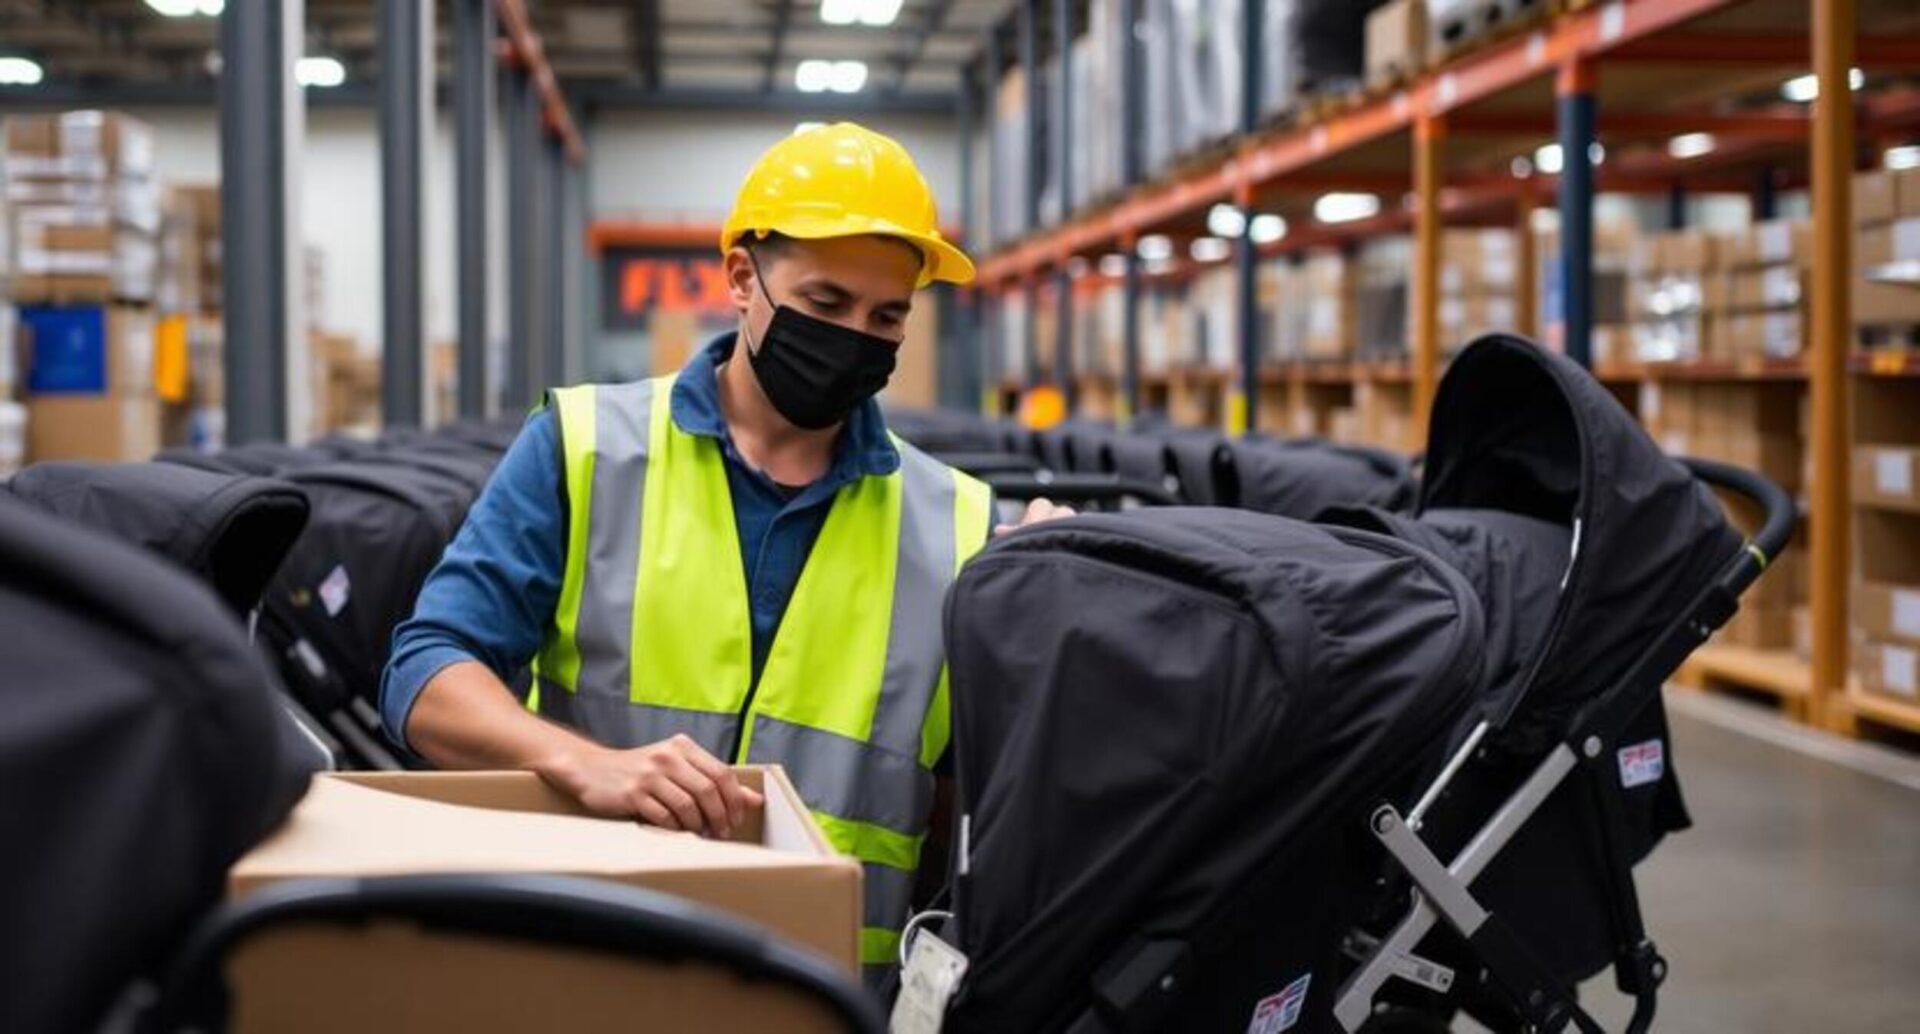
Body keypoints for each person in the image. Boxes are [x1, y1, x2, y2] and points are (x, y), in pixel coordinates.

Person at [378, 122, 1072, 987]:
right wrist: (586, 764)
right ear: (742, 278)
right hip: (592, 970)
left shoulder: (958, 523)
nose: (856, 336)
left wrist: (1051, 612)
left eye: (887, 316)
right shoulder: (587, 448)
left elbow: (992, 805)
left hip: (824, 992)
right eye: (826, 303)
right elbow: (425, 673)